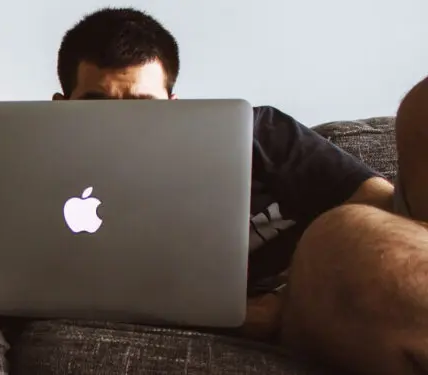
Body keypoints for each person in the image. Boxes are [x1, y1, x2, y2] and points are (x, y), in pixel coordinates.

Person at [54, 7, 428, 374]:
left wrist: (281, 296)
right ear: (60, 109)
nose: (123, 129)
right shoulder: (46, 186)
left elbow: (383, 203)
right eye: (97, 108)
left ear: (174, 108)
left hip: (313, 283)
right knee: (337, 239)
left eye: (142, 108)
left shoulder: (258, 133)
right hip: (316, 306)